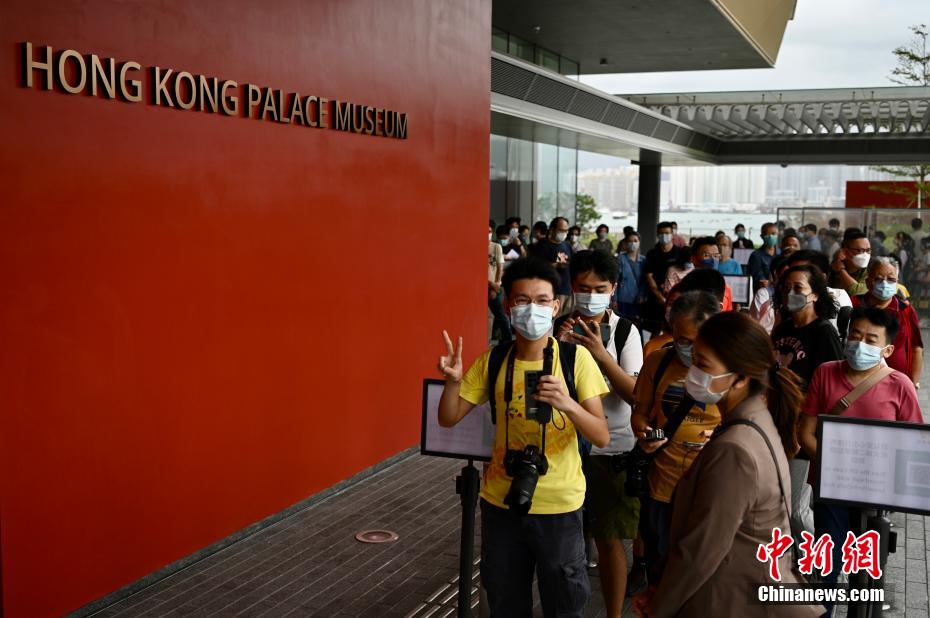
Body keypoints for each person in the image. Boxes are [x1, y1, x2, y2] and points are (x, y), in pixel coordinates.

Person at [438, 257, 610, 617]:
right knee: (505, 601)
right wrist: (453, 381)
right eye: (521, 300)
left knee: (565, 604)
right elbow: (449, 417)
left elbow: (601, 435)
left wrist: (568, 403)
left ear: (556, 305)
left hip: (560, 505)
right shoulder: (494, 360)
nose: (532, 309)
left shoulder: (575, 359)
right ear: (507, 305)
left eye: (542, 300)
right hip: (501, 502)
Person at [635, 312, 822, 618]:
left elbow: (701, 551)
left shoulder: (735, 448)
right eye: (693, 359)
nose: (692, 371)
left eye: (703, 365)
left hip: (735, 601)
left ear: (740, 378)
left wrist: (660, 607)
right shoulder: (754, 422)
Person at [798, 307, 923, 616]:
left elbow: (914, 445)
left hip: (875, 496)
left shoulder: (900, 385)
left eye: (871, 339)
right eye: (855, 335)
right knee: (827, 561)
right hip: (830, 488)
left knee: (865, 571)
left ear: (888, 349)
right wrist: (837, 469)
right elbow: (806, 433)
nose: (860, 344)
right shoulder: (826, 372)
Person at [555, 251, 642, 618]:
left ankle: (613, 614)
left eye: (599, 289)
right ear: (572, 287)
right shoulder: (557, 325)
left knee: (609, 540)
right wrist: (556, 348)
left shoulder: (625, 331)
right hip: (566, 447)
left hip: (615, 448)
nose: (590, 295)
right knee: (566, 542)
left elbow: (635, 395)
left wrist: (599, 355)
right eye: (583, 288)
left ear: (613, 289)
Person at [630, 291, 722, 585]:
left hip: (712, 488)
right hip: (663, 485)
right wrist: (644, 431)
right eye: (682, 340)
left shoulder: (733, 370)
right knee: (662, 570)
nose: (689, 349)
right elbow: (640, 412)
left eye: (698, 342)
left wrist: (721, 438)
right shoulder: (658, 361)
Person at [851, 257, 923, 384]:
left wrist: (913, 383)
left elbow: (916, 348)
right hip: (857, 381)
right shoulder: (853, 304)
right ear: (868, 282)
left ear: (897, 283)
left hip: (897, 383)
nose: (885, 283)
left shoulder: (906, 310)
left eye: (891, 279)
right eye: (878, 279)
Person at [770, 265, 842, 386]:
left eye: (798, 288)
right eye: (786, 287)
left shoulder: (824, 332)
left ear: (815, 295)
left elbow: (832, 380)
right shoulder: (782, 329)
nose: (790, 293)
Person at [666, 237, 733, 310]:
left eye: (716, 256)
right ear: (694, 259)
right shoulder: (680, 288)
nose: (713, 260)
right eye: (706, 255)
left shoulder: (725, 289)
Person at [642, 222, 683, 336]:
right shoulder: (652, 253)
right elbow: (649, 276)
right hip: (655, 298)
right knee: (653, 330)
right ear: (657, 235)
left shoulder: (679, 253)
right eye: (661, 233)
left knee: (674, 328)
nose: (664, 236)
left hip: (675, 298)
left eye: (667, 233)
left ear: (672, 234)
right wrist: (659, 296)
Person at [528, 217, 574, 316]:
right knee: (550, 319)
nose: (564, 233)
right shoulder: (543, 245)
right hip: (551, 290)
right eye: (561, 230)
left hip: (567, 289)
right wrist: (556, 265)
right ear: (552, 229)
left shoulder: (567, 245)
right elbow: (536, 266)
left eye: (566, 230)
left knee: (564, 322)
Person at [488, 223, 511, 342]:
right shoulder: (475, 246)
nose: (488, 234)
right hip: (485, 286)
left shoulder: (496, 247)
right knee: (486, 317)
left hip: (495, 287)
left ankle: (507, 342)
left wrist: (496, 285)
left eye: (489, 231)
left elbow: (500, 267)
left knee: (502, 316)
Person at [829, 230, 871, 296]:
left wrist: (841, 270)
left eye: (868, 250)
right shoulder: (833, 268)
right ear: (845, 252)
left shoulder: (871, 268)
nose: (865, 255)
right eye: (860, 251)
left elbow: (858, 292)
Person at [616, 230, 646, 321]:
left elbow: (645, 280)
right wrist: (614, 299)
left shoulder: (643, 260)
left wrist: (642, 295)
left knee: (636, 325)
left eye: (635, 241)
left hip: (638, 300)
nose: (633, 243)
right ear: (625, 243)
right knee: (623, 325)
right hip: (623, 299)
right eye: (630, 241)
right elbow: (615, 280)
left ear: (639, 242)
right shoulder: (621, 258)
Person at [747, 222, 779, 290]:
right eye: (767, 234)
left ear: (777, 234)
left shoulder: (780, 254)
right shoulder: (755, 255)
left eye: (773, 234)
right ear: (761, 236)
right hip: (762, 292)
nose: (770, 237)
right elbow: (757, 276)